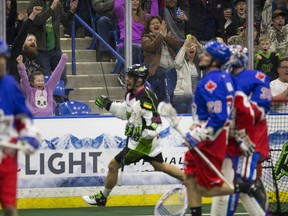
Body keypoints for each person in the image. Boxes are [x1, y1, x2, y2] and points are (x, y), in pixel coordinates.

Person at [82, 64, 184, 206]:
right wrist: (109, 105)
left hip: (142, 144)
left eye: (130, 77)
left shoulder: (146, 98)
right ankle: (191, 180)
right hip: (142, 143)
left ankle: (102, 197)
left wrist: (140, 132)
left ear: (139, 80)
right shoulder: (131, 95)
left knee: (112, 166)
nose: (126, 79)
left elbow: (156, 123)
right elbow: (126, 112)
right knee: (160, 166)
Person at [183, 41, 267, 216]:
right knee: (191, 177)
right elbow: (238, 110)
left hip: (215, 139)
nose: (201, 56)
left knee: (210, 187)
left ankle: (249, 186)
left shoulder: (213, 81)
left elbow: (224, 116)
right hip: (223, 136)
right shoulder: (227, 78)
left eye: (206, 54)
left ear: (216, 60)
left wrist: (200, 133)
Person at [211, 45, 271, 216]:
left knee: (240, 182)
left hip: (249, 138)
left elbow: (261, 109)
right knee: (230, 183)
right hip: (228, 139)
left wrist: (235, 115)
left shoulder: (258, 77)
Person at [0, 39, 41, 216]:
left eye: (2, 57)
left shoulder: (9, 85)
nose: (1, 61)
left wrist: (28, 133)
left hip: (7, 156)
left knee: (10, 207)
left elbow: (22, 115)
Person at [27, 0, 78, 85]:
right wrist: (51, 9)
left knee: (62, 79)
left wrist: (71, 11)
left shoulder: (56, 4)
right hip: (41, 50)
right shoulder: (34, 3)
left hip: (56, 48)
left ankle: (61, 97)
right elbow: (37, 21)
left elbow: (65, 22)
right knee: (45, 81)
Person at [114, 0, 158, 86]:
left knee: (153, 48)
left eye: (137, 0)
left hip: (142, 45)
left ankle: (146, 77)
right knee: (137, 48)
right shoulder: (124, 14)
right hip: (125, 45)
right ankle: (125, 74)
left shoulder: (145, 16)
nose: (135, 1)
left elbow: (155, 18)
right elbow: (117, 6)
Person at [141, 15, 181, 101]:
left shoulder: (166, 36)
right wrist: (160, 35)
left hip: (172, 67)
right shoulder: (146, 38)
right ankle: (165, 101)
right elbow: (151, 47)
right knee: (164, 74)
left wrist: (165, 35)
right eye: (152, 24)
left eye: (157, 23)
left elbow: (176, 44)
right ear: (149, 27)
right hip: (156, 70)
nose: (156, 25)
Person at [9, 5, 43, 83]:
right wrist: (33, 14)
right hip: (17, 91)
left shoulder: (38, 59)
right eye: (30, 40)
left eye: (34, 41)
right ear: (23, 44)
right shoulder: (16, 52)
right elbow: (23, 32)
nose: (33, 42)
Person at [172, 36, 202, 113]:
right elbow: (177, 63)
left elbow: (209, 55)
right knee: (193, 98)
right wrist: (184, 46)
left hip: (195, 94)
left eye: (193, 46)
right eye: (188, 46)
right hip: (180, 94)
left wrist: (198, 44)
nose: (191, 48)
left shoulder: (199, 63)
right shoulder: (181, 63)